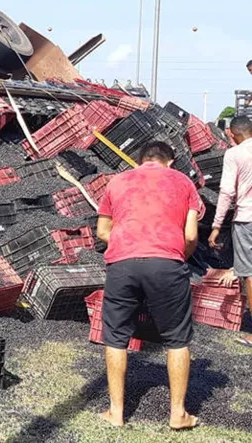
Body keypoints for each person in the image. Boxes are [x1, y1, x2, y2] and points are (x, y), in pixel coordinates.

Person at [96, 141, 203, 430]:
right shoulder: (183, 182)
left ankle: (116, 412)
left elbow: (102, 230)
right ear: (169, 162)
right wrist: (180, 255)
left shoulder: (116, 182)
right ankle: (178, 414)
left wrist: (127, 241)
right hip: (167, 262)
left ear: (141, 161)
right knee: (177, 339)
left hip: (122, 263)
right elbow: (191, 234)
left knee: (116, 337)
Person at [209, 115, 252, 347]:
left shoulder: (234, 154)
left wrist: (216, 226)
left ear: (232, 134)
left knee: (250, 274)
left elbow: (226, 193)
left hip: (247, 219)